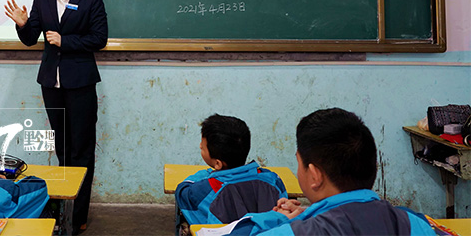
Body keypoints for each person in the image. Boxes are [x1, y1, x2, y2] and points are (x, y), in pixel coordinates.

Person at [4, 0, 108, 235]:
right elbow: (30, 38)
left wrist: (67, 41)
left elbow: (99, 38)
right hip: (51, 83)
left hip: (81, 82)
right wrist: (23, 24)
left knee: (82, 150)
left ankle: (79, 215)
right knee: (62, 148)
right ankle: (63, 208)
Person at [227, 108, 436, 236]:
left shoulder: (293, 231)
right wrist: (311, 213)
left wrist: (281, 220)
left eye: (299, 163)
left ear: (315, 175)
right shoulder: (414, 224)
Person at [175, 114, 287, 235]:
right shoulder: (272, 179)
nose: (200, 146)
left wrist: (210, 173)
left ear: (217, 164)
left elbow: (182, 191)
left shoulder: (208, 187)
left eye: (203, 147)